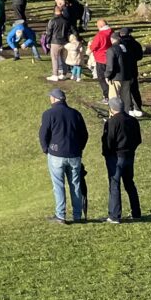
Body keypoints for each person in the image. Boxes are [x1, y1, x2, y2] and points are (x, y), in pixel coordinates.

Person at [38, 87, 88, 223]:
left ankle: (60, 215)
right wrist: (79, 148)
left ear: (54, 99)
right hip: (74, 154)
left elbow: (43, 134)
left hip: (56, 154)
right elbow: (84, 134)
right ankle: (77, 215)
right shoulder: (75, 113)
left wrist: (46, 149)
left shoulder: (49, 114)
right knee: (75, 184)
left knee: (59, 185)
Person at [102, 96, 142, 223]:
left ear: (111, 108)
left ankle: (115, 215)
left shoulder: (112, 122)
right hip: (129, 156)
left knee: (114, 184)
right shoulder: (133, 121)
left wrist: (107, 154)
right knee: (129, 184)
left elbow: (108, 141)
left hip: (116, 157)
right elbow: (138, 139)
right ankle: (136, 212)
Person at [107, 29, 145, 118]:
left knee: (118, 94)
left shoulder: (119, 46)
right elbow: (140, 56)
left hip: (119, 73)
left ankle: (124, 110)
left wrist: (108, 75)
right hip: (132, 70)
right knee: (133, 90)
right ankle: (137, 108)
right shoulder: (135, 43)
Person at [45, 0, 71, 81]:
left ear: (55, 11)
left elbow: (49, 32)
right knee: (64, 58)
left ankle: (55, 74)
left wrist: (47, 42)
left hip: (55, 41)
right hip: (65, 41)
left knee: (55, 58)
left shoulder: (52, 21)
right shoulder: (66, 21)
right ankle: (64, 74)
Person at [89, 19, 115, 99]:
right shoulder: (112, 32)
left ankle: (107, 95)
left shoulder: (100, 35)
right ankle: (114, 92)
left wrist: (90, 46)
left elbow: (94, 46)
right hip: (111, 57)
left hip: (101, 58)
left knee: (102, 77)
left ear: (100, 26)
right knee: (111, 76)